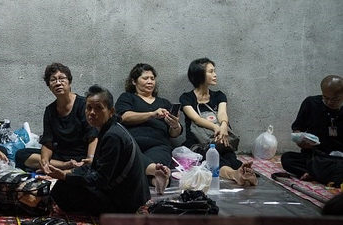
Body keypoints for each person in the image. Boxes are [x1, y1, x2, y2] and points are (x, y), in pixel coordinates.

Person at [44, 84, 151, 215]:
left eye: (98, 108)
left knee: (63, 188)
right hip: (125, 195)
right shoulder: (110, 129)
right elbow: (96, 168)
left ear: (111, 111)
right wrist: (68, 172)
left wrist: (65, 175)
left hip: (124, 204)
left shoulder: (113, 136)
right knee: (68, 181)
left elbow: (100, 179)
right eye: (89, 108)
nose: (92, 113)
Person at [180, 58, 257, 186]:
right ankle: (234, 174)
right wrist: (216, 127)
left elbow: (222, 113)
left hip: (220, 139)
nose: (215, 75)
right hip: (198, 142)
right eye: (211, 71)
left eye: (214, 71)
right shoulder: (186, 98)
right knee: (210, 157)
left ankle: (244, 171)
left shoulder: (219, 95)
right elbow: (196, 119)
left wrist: (223, 126)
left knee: (230, 156)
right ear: (200, 75)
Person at [15, 63, 97, 173]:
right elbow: (48, 143)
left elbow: (93, 137)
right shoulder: (50, 110)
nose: (58, 83)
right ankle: (64, 166)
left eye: (62, 78)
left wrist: (90, 159)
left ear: (69, 82)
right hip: (60, 157)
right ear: (49, 86)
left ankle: (74, 168)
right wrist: (44, 161)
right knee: (21, 155)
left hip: (82, 156)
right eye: (53, 80)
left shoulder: (83, 105)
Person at [115, 63, 178, 194]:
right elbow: (124, 117)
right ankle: (156, 171)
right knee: (127, 155)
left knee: (157, 158)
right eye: (145, 78)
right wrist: (151, 114)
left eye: (152, 78)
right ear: (134, 81)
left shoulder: (164, 103)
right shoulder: (127, 98)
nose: (150, 82)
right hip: (133, 142)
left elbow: (174, 134)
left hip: (158, 144)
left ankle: (158, 179)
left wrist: (175, 125)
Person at [281, 75, 343, 183]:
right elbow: (297, 128)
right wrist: (300, 140)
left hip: (338, 159)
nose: (329, 102)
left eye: (335, 99)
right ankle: (326, 176)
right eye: (326, 98)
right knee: (287, 159)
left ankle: (315, 174)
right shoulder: (311, 103)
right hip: (314, 156)